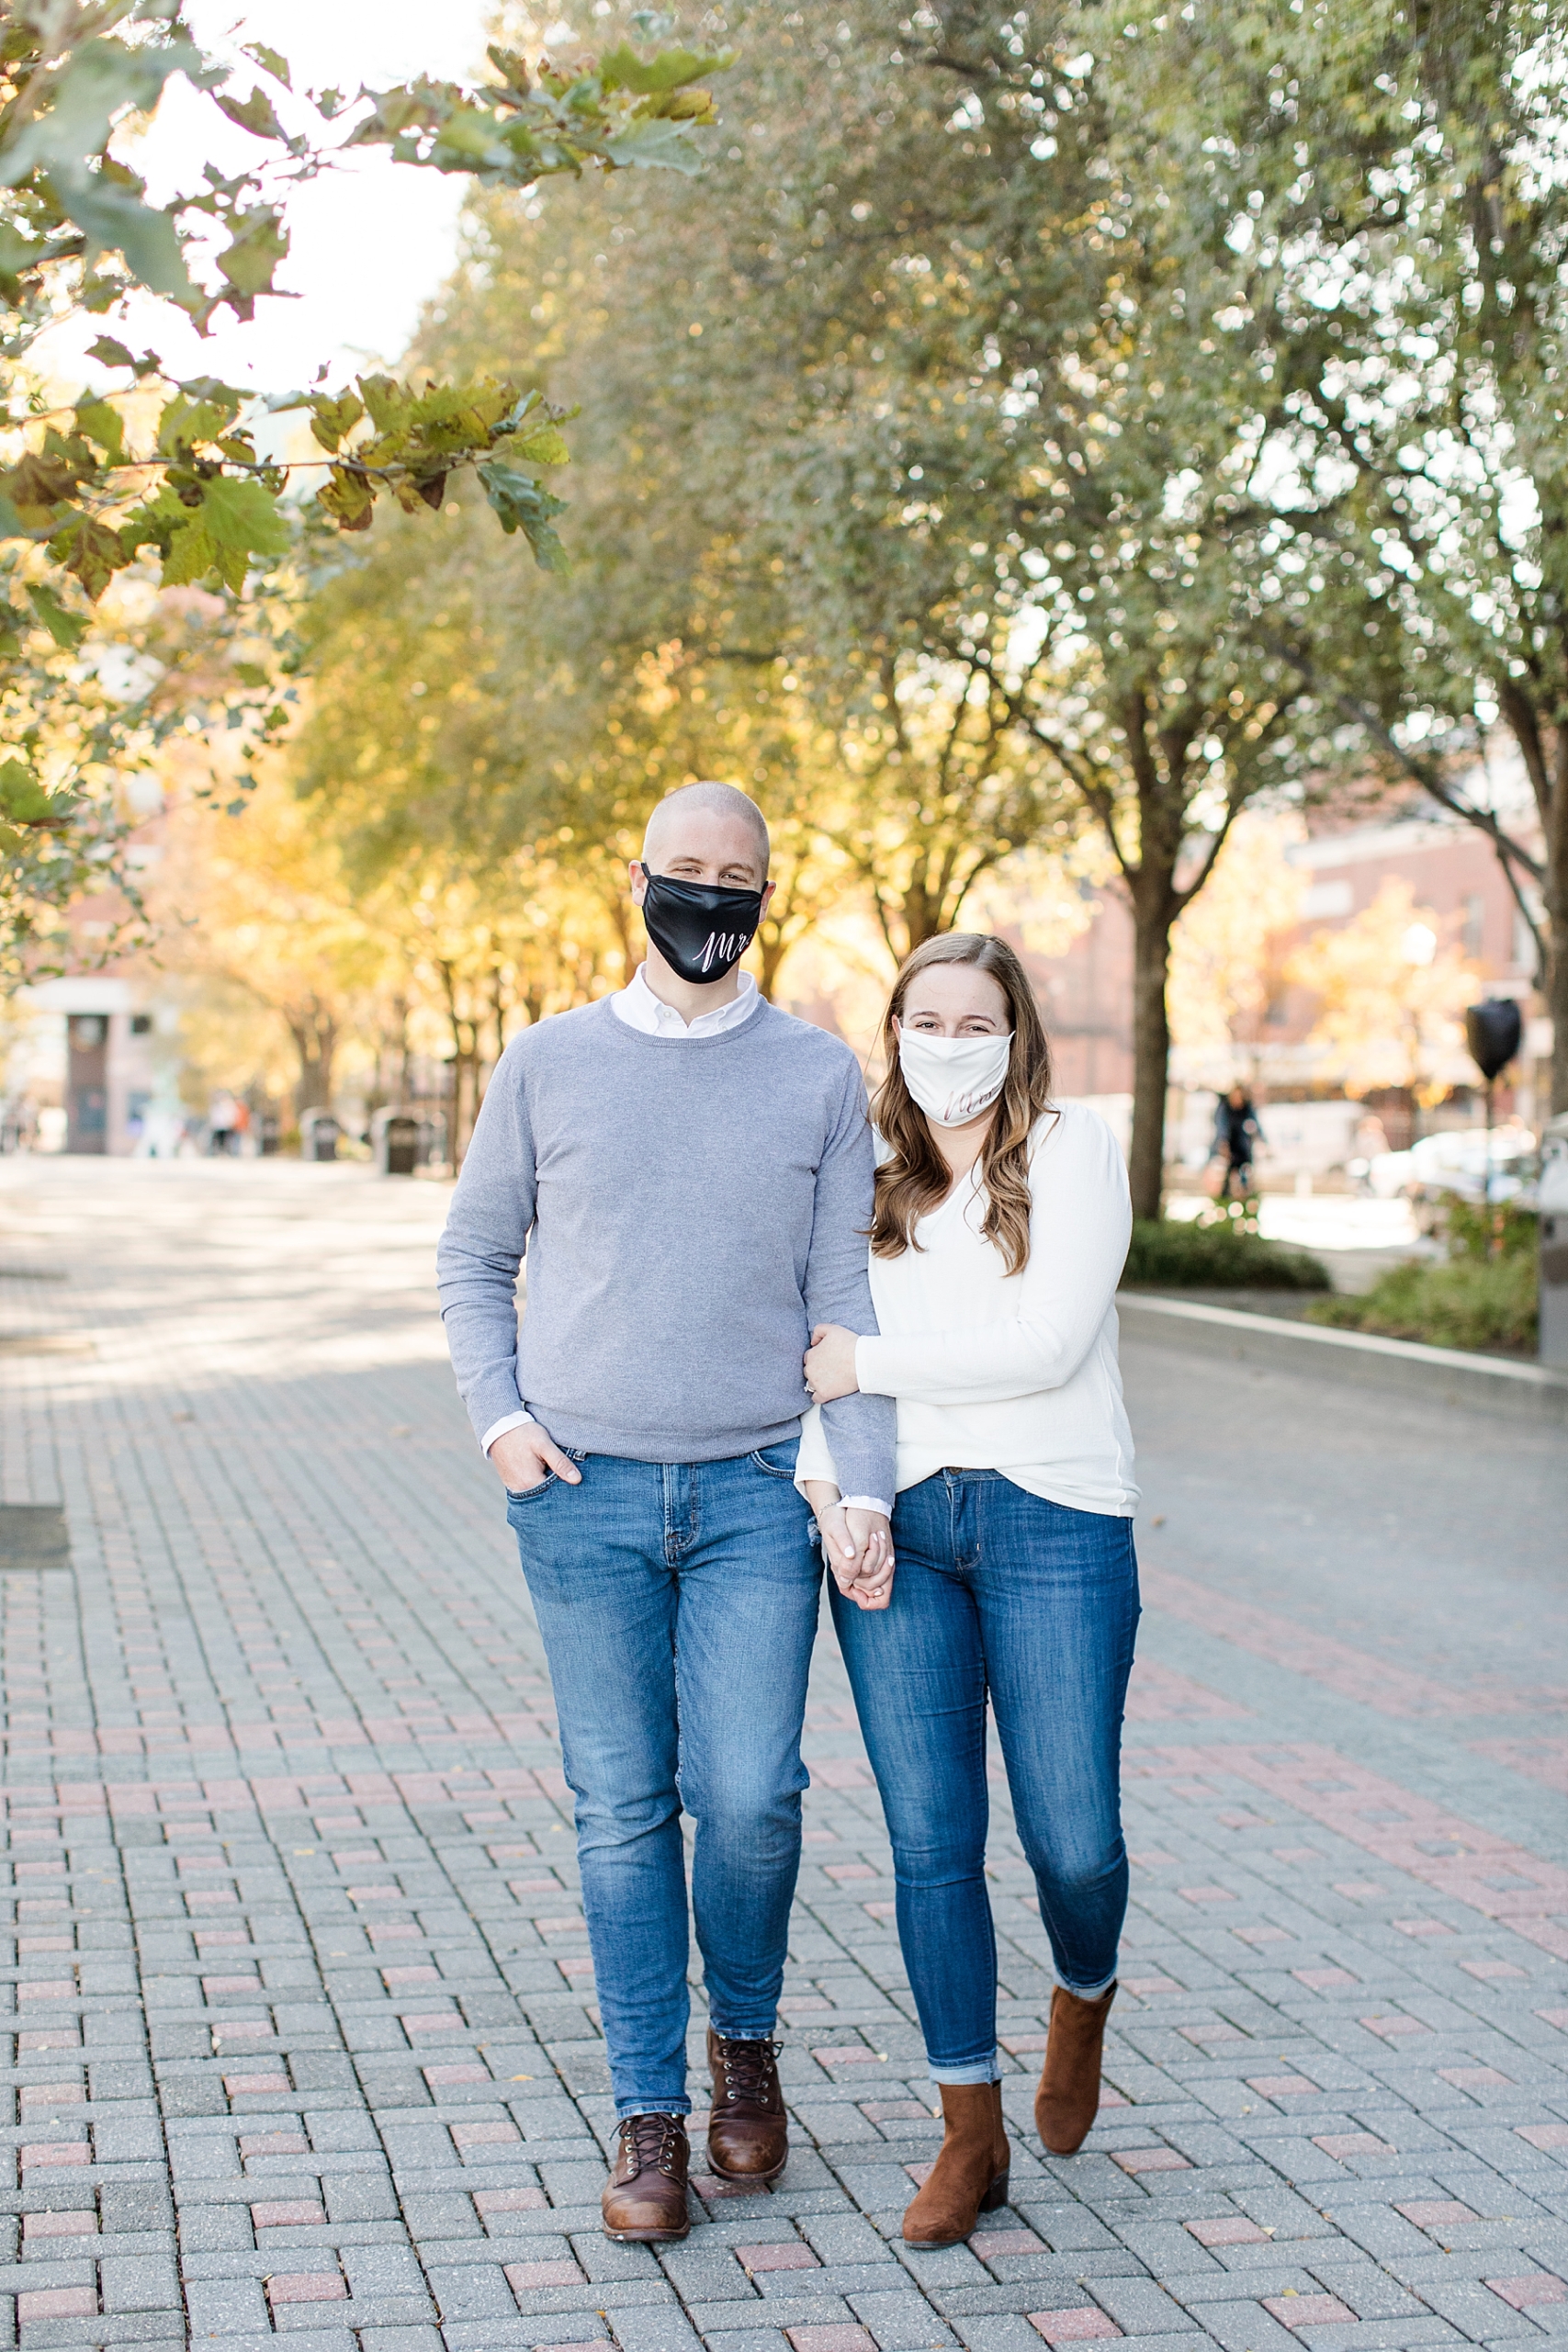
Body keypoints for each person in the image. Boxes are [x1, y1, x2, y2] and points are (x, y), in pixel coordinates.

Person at [436, 783, 897, 2245]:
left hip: (764, 1490)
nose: (710, 896)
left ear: (768, 894)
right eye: (686, 872)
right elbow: (471, 1256)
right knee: (624, 1814)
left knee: (752, 1798)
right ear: (637, 879)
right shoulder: (546, 1063)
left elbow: (847, 1304)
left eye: (737, 876)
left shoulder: (819, 1077)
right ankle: (649, 2117)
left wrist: (863, 1482)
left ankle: (743, 2047)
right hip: (584, 1500)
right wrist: (499, 1420)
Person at [796, 932, 1139, 2248]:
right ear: (892, 1032)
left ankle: (1081, 1988)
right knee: (931, 1845)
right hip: (902, 1532)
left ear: (1015, 1030)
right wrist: (832, 1501)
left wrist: (870, 1371)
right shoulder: (861, 1180)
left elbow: (1046, 1347)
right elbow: (806, 1362)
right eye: (922, 1021)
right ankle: (966, 2132)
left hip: (1055, 1516)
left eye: (971, 1021)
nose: (947, 1044)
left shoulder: (1070, 1152)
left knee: (1070, 1840)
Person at [1214, 1083, 1264, 1200]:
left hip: (1243, 1148)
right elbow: (1221, 1127)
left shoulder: (1247, 1109)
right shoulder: (1225, 1108)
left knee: (1245, 1174)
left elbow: (1256, 1125)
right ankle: (1224, 1198)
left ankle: (1245, 1198)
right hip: (1229, 1147)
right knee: (1227, 1176)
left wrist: (1261, 1140)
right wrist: (1223, 1143)